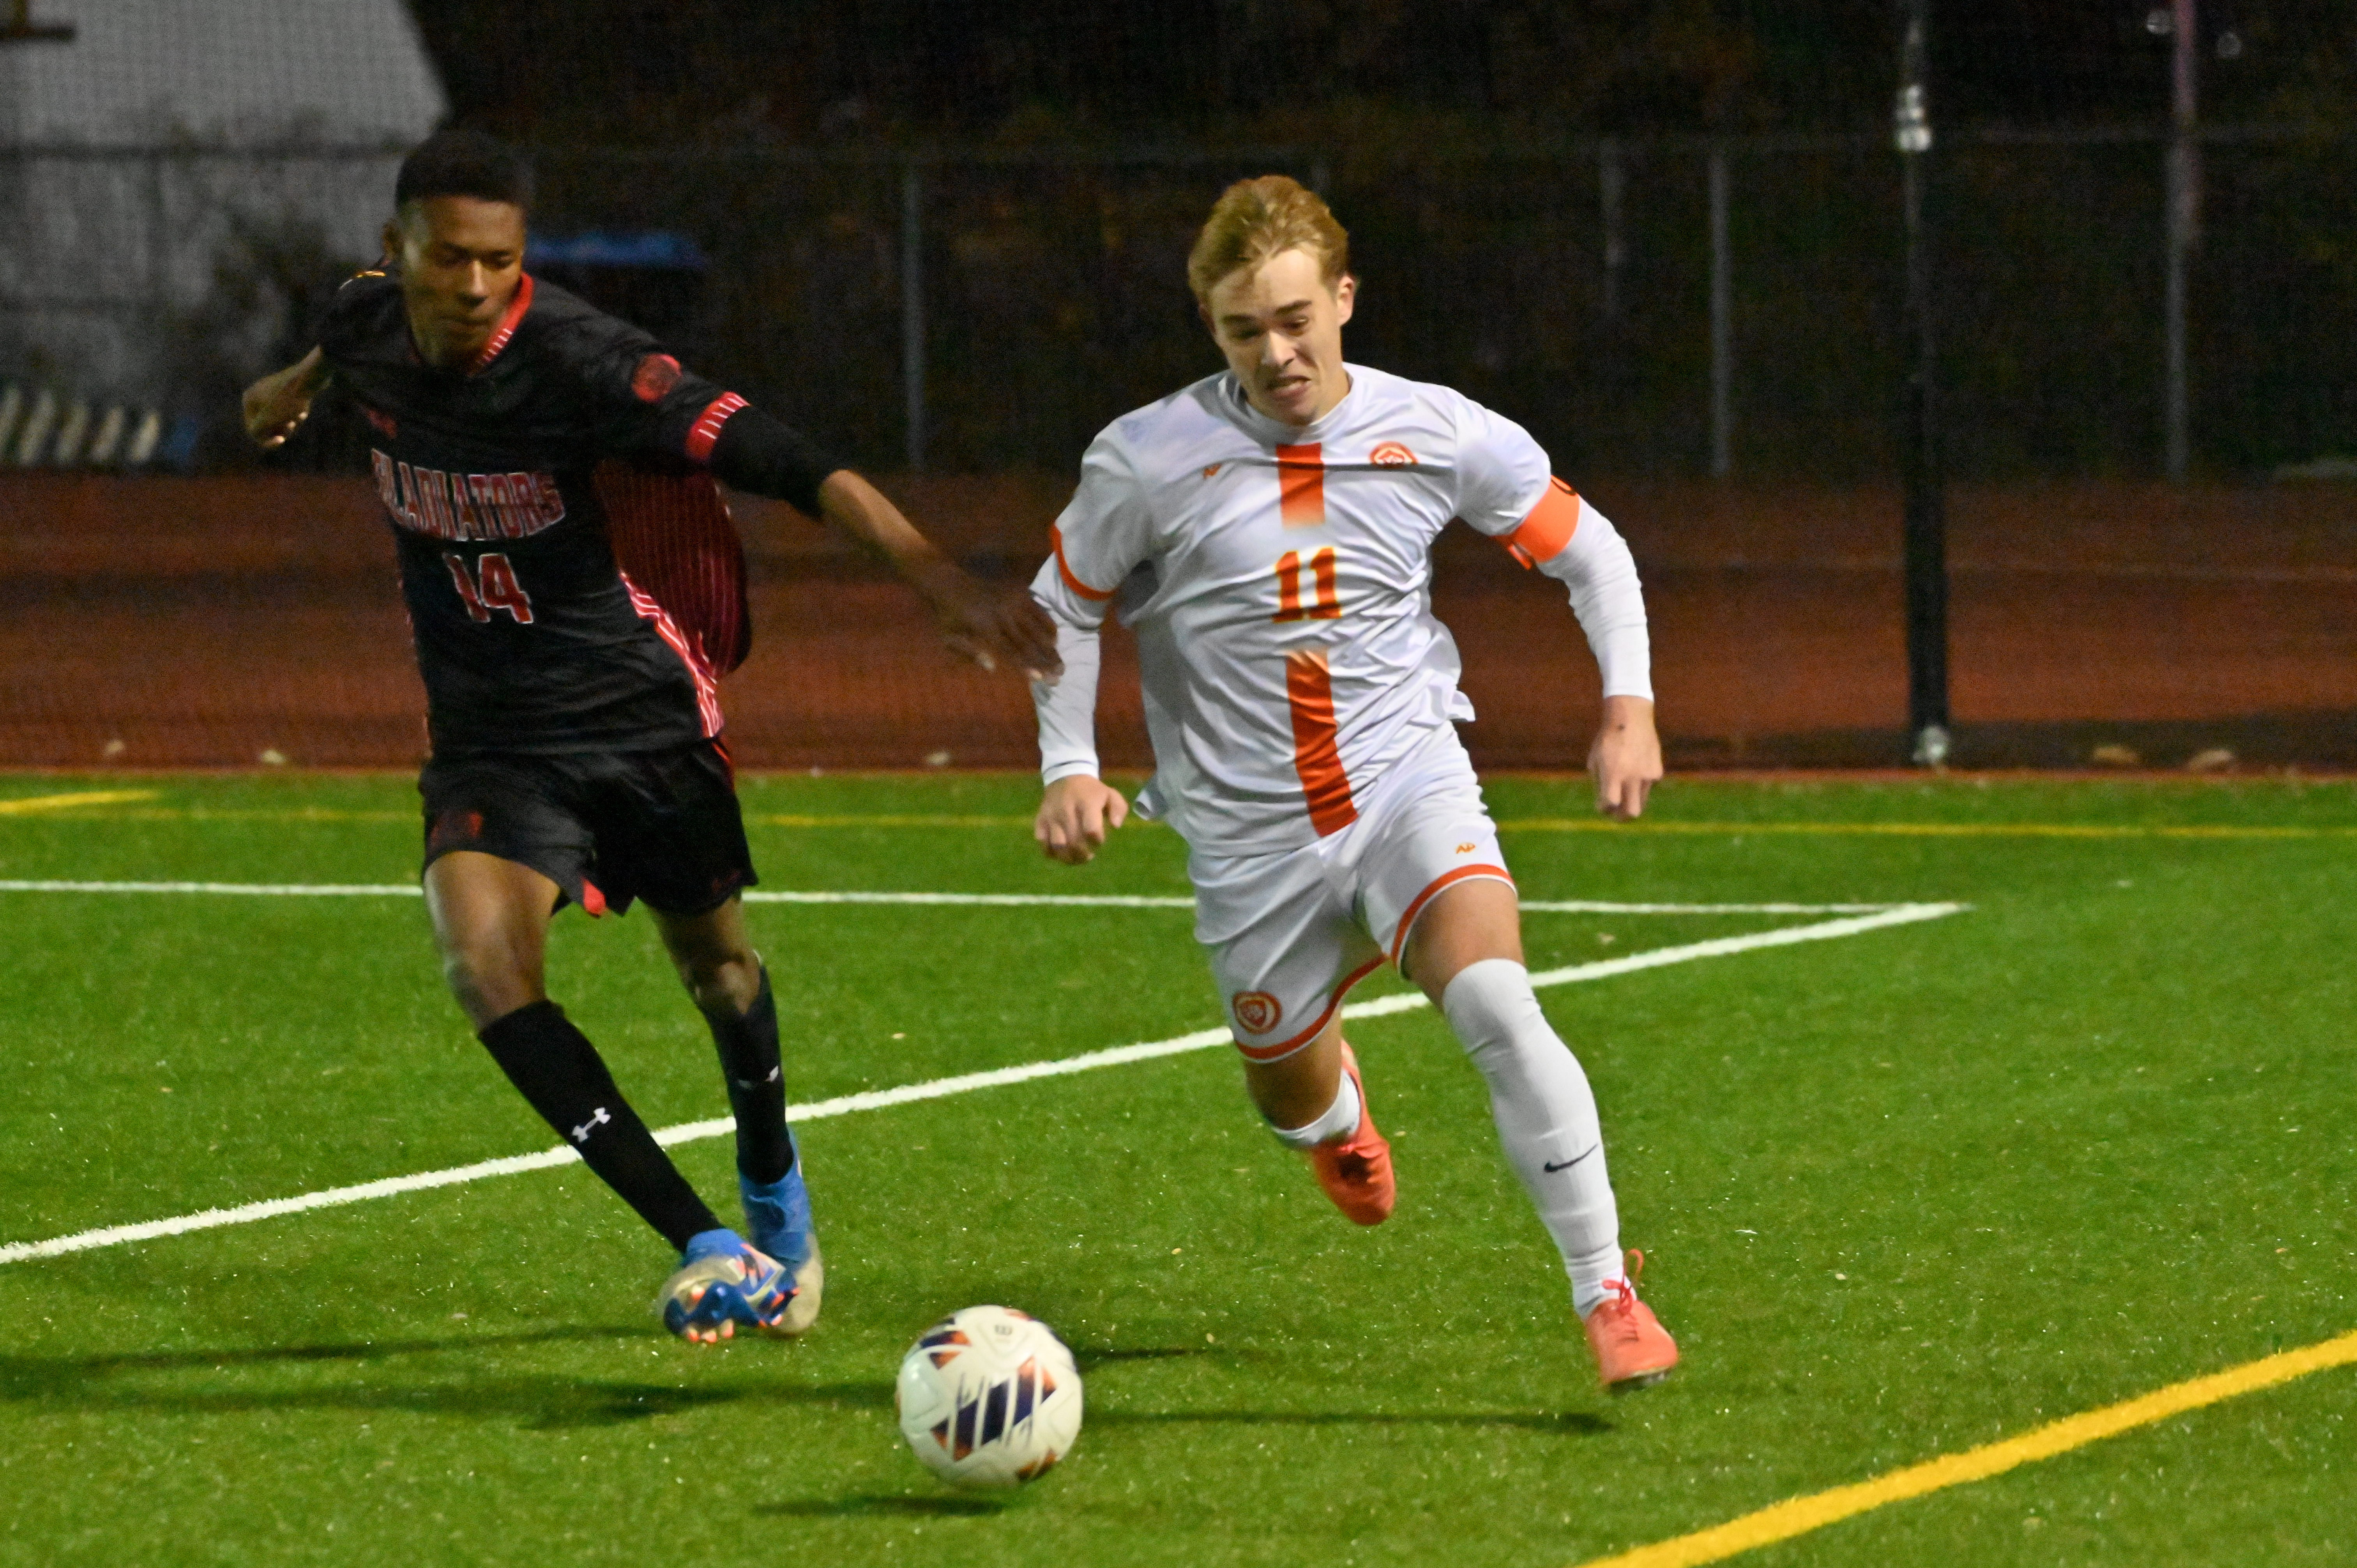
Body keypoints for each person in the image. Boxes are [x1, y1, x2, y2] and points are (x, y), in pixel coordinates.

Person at [242, 129, 1058, 1344]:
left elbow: (792, 461)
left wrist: (937, 578)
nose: (475, 289)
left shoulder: (582, 358)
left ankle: (773, 1183)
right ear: (396, 250)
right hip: (488, 734)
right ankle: (710, 1243)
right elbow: (343, 343)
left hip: (635, 719)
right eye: (450, 260)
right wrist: (291, 390)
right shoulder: (366, 321)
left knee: (718, 972)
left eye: (500, 263)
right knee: (484, 972)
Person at [1027, 176, 1677, 1391]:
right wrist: (1070, 766)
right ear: (1211, 331)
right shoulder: (1148, 458)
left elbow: (1592, 552)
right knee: (1287, 1095)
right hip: (1247, 845)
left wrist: (1627, 706)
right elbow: (1063, 607)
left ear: (1344, 298)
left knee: (1496, 1006)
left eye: (1293, 319)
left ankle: (1607, 1293)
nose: (1276, 353)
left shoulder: (1437, 429)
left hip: (1403, 786)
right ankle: (1335, 1125)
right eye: (1242, 331)